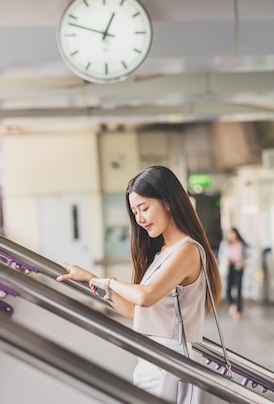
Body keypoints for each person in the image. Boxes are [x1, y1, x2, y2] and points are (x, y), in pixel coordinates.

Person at [57, 165, 222, 403]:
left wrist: (110, 282)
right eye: (135, 212)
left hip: (169, 365)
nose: (140, 219)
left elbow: (146, 296)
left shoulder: (187, 250)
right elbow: (139, 313)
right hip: (153, 361)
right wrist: (92, 280)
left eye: (144, 208)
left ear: (167, 201)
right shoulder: (163, 252)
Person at [224, 228, 247, 321]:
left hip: (239, 267)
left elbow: (247, 255)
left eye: (233, 234)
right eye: (230, 234)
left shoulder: (241, 245)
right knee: (228, 289)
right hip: (230, 267)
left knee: (238, 289)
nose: (231, 236)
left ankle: (238, 310)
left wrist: (243, 261)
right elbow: (223, 255)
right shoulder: (226, 244)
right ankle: (233, 305)